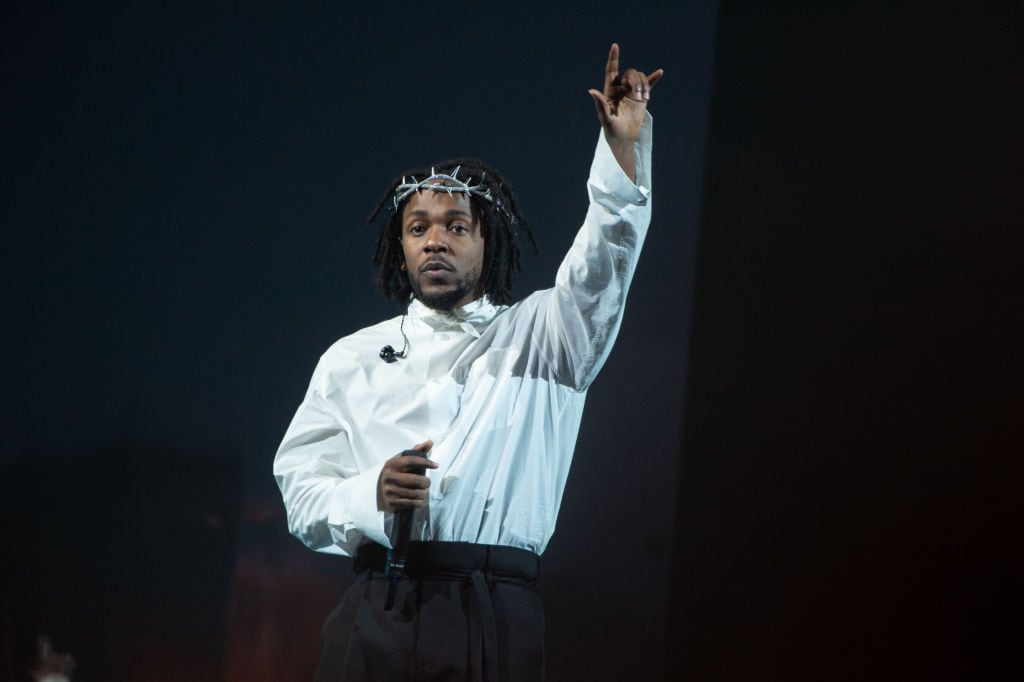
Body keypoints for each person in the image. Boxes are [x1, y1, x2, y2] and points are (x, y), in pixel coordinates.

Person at [274, 43, 661, 681]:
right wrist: (369, 492)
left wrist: (622, 151)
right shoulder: (351, 357)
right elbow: (300, 488)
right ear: (399, 246)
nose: (435, 239)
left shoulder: (546, 335)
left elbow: (604, 261)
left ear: (488, 241)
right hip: (377, 608)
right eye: (418, 226)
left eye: (457, 225)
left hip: (494, 609)